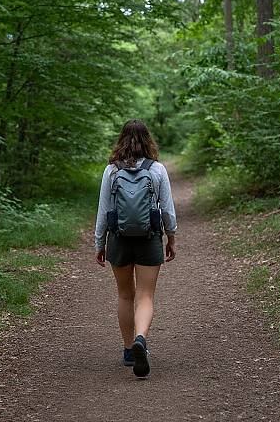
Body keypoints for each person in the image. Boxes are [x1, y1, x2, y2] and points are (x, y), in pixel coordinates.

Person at [94, 119, 177, 378]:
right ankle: (141, 338)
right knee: (145, 296)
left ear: (121, 140)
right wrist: (170, 238)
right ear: (148, 140)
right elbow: (167, 211)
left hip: (118, 239)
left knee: (125, 295)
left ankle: (129, 350)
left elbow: (103, 212)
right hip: (149, 239)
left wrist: (100, 243)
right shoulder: (158, 169)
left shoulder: (111, 171)